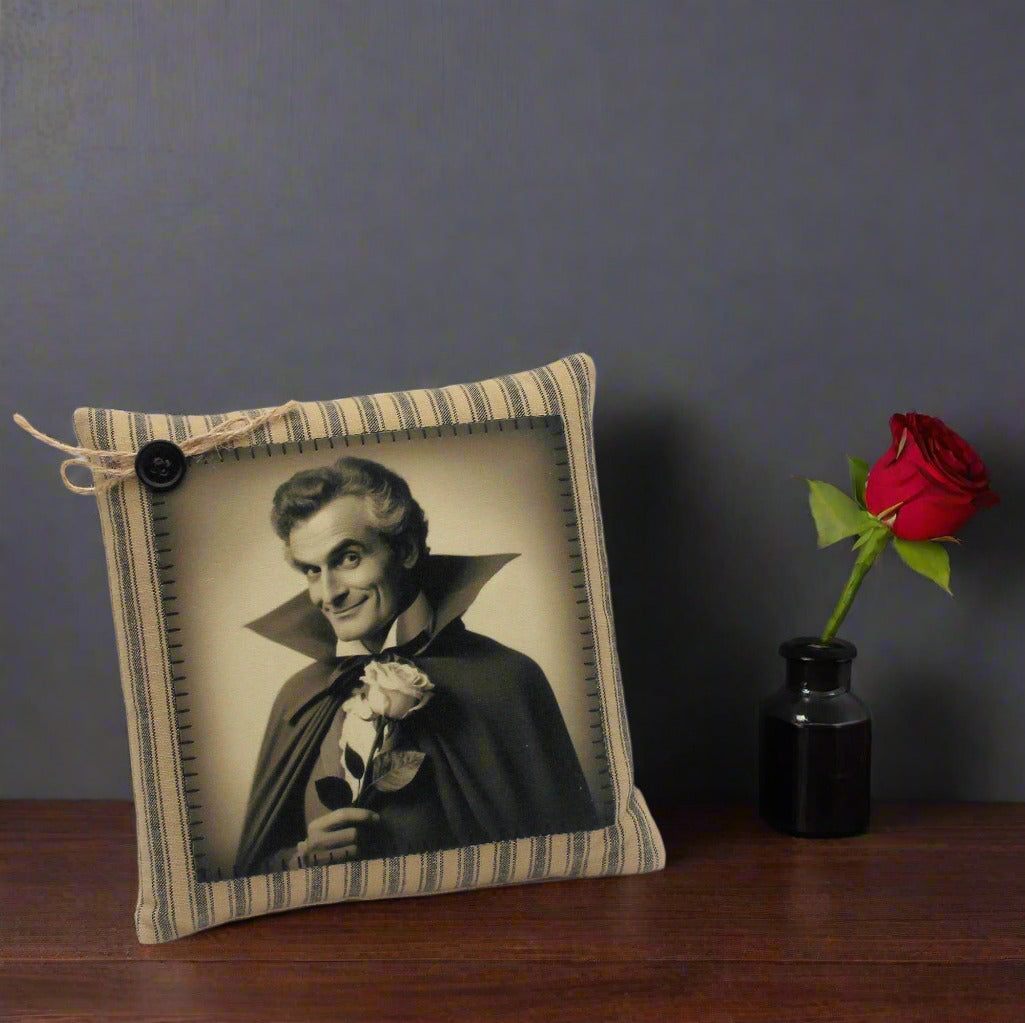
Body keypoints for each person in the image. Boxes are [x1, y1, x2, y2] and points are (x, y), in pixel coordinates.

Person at [234, 456, 601, 876]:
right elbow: (252, 874)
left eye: (348, 558)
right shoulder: (299, 695)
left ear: (406, 550)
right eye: (312, 571)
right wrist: (301, 859)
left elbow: (570, 860)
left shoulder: (508, 679)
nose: (328, 594)